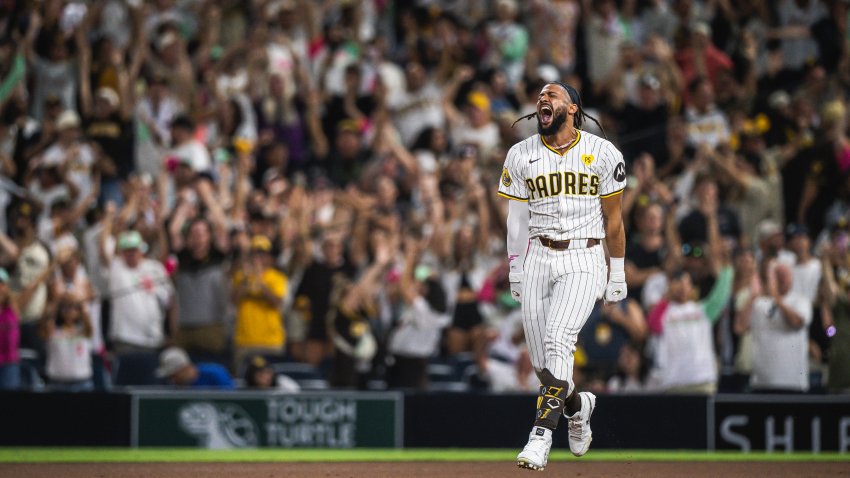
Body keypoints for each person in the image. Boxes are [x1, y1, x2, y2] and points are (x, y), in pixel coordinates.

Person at [499, 82, 627, 470]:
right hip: (538, 254)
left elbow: (614, 219)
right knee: (545, 367)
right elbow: (516, 219)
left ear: (572, 108)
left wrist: (617, 269)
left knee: (559, 339)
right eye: (540, 96)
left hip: (585, 256)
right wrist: (515, 266)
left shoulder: (603, 152)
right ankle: (577, 405)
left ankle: (540, 438)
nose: (543, 99)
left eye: (552, 95)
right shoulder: (521, 153)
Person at [737, 262, 812, 392]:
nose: (781, 278)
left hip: (793, 383)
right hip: (761, 383)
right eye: (777, 275)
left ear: (792, 277)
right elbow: (739, 327)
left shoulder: (801, 301)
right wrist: (753, 296)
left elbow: (795, 322)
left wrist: (776, 297)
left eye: (784, 275)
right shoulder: (759, 304)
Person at [155, 346, 234, 390]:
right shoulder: (174, 387)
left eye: (174, 376)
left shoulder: (215, 373)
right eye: (169, 377)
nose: (172, 380)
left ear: (184, 368)